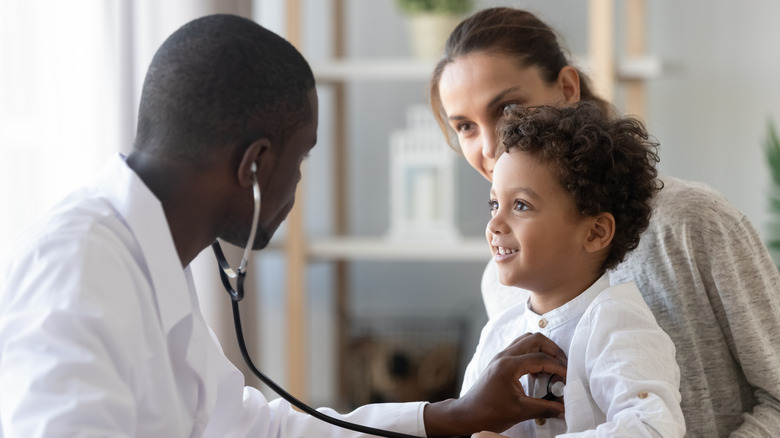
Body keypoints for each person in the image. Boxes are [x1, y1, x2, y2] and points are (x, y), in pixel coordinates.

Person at [0, 13, 571, 438]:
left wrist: (454, 414)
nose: (298, 185)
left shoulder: (146, 260)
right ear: (255, 166)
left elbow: (256, 429)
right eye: (300, 160)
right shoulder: (73, 269)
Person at [429, 7, 780, 437]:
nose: (490, 146)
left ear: (567, 87)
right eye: (465, 126)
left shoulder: (694, 224)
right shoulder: (504, 286)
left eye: (508, 108)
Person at [475, 102, 684, 436]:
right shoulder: (499, 333)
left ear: (595, 232)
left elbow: (652, 429)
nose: (495, 224)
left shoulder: (617, 323)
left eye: (521, 205)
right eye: (494, 204)